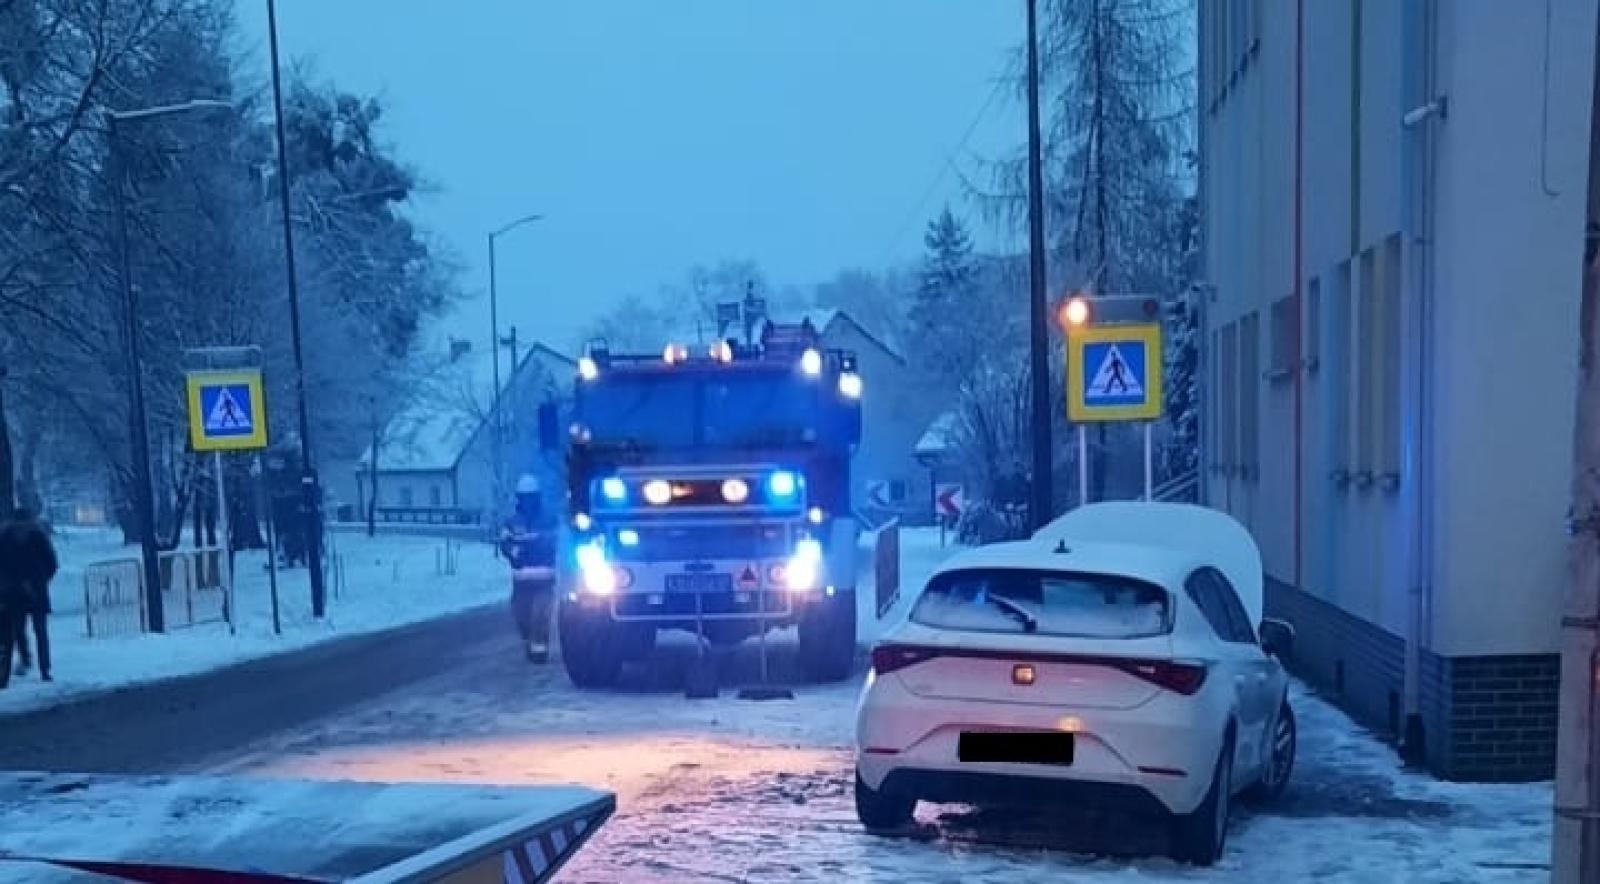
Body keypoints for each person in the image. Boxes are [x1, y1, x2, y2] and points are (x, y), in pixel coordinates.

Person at [499, 475, 557, 663]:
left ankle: (540, 652)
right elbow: (504, 542)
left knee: (540, 616)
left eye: (531, 497)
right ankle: (528, 641)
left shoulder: (548, 519)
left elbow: (555, 540)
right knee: (521, 616)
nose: (528, 501)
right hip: (521, 580)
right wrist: (513, 552)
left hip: (544, 579)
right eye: (524, 497)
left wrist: (539, 543)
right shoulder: (512, 522)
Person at [3, 508, 56, 683]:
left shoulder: (8, 539)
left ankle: (40, 666)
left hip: (23, 591)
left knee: (31, 630)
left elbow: (51, 563)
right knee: (23, 630)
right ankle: (36, 664)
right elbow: (51, 564)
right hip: (25, 590)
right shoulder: (34, 538)